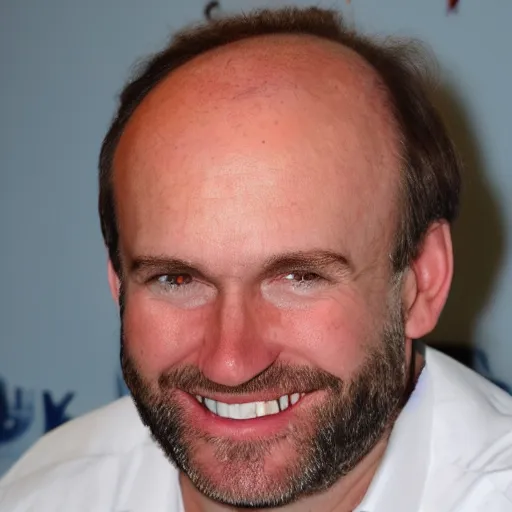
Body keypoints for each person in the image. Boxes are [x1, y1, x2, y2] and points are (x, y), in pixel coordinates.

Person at [1, 6, 511, 511]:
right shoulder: (45, 495)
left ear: (421, 281)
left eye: (298, 277)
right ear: (119, 283)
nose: (230, 363)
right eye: (177, 279)